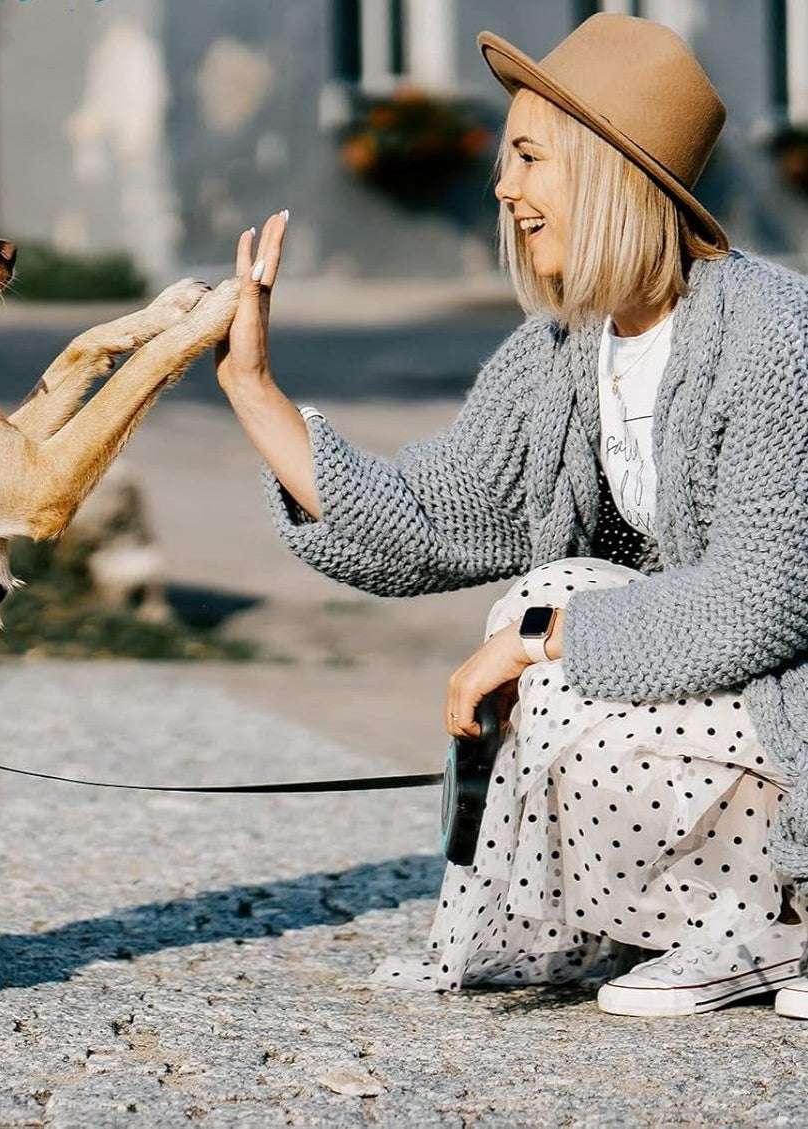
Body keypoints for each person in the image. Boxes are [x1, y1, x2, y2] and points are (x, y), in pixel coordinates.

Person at [214, 13, 808, 1019]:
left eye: (530, 156)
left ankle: (779, 921)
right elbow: (424, 519)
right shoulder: (566, 351)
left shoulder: (770, 335)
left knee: (546, 621)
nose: (504, 186)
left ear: (611, 168)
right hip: (744, 709)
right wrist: (256, 390)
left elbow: (763, 603)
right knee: (543, 598)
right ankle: (726, 920)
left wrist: (542, 643)